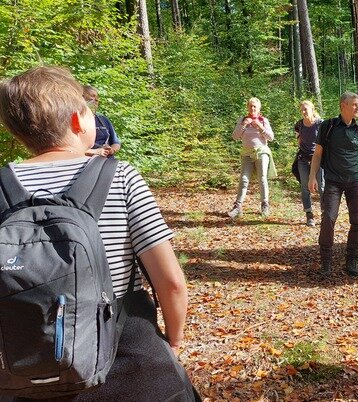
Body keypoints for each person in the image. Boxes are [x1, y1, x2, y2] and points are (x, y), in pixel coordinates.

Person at [0, 66, 194, 400]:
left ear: (18, 134)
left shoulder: (2, 186)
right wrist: (172, 340)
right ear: (78, 119)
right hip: (132, 360)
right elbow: (171, 282)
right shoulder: (120, 177)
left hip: (25, 370)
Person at [309, 92, 358, 277]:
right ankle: (326, 261)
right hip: (333, 181)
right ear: (343, 106)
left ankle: (352, 260)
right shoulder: (328, 127)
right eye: (354, 104)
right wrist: (312, 177)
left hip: (355, 182)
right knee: (328, 218)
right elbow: (317, 154)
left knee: (356, 221)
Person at [228, 97, 275, 219]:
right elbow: (235, 136)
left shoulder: (263, 120)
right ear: (247, 107)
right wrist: (243, 124)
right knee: (244, 179)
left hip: (261, 152)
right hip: (247, 154)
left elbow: (270, 138)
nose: (252, 108)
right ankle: (237, 207)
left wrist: (260, 127)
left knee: (262, 178)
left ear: (259, 108)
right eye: (250, 106)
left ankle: (265, 205)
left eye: (255, 106)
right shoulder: (243, 120)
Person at [294, 100, 324, 226]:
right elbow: (299, 140)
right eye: (302, 109)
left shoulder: (320, 123)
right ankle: (309, 214)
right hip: (303, 159)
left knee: (322, 186)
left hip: (318, 159)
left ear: (312, 109)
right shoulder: (299, 124)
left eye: (306, 109)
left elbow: (325, 141)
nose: (304, 111)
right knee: (305, 187)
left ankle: (325, 214)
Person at [82, 85, 121, 158]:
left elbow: (116, 143)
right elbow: (69, 150)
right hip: (86, 164)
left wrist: (111, 150)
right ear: (81, 100)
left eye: (96, 100)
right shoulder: (72, 120)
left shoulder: (103, 119)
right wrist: (95, 152)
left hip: (107, 162)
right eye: (91, 100)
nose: (95, 102)